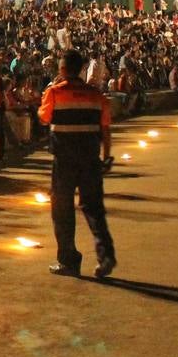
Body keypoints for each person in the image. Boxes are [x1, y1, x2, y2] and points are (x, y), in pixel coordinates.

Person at [36, 50, 116, 279]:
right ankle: (106, 255)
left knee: (62, 210)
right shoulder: (95, 94)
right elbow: (106, 128)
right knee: (94, 208)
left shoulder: (54, 92)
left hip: (64, 160)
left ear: (62, 69)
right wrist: (107, 156)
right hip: (90, 158)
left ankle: (69, 260)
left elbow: (44, 117)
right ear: (81, 69)